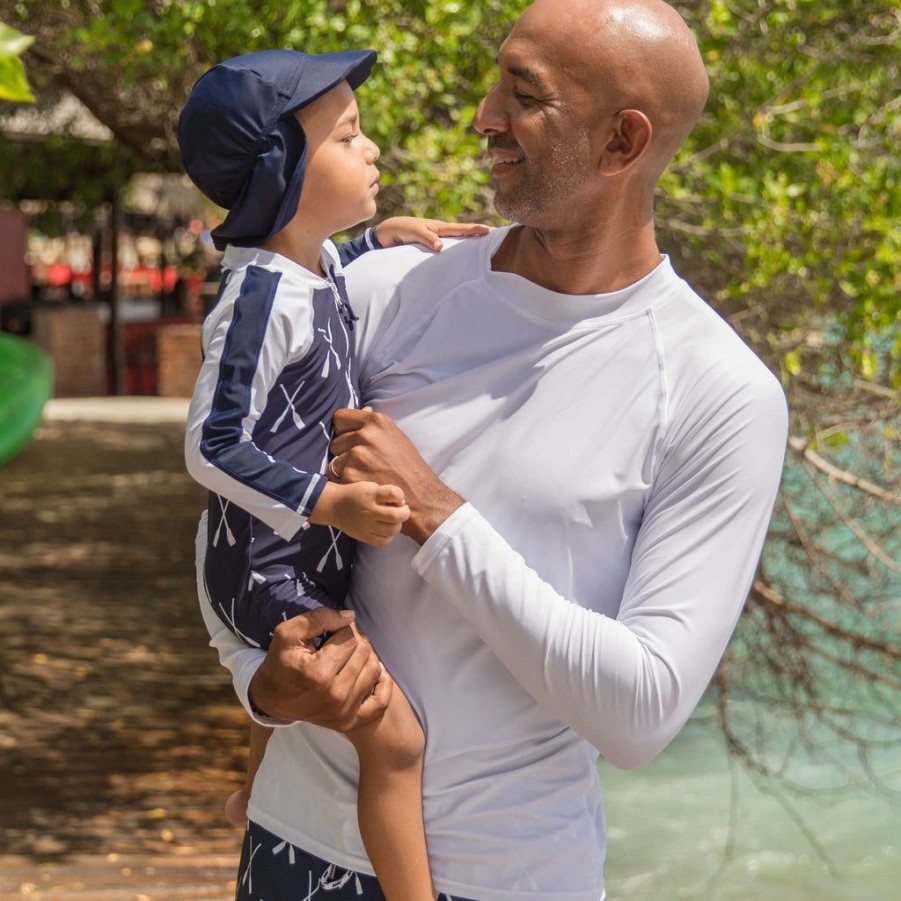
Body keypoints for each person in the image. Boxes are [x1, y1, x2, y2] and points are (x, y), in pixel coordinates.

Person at [196, 1, 789, 899]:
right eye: (493, 79)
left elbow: (638, 713)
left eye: (523, 95)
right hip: (288, 841)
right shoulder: (382, 285)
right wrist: (262, 688)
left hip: (506, 878)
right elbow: (249, 516)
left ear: (622, 144)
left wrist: (437, 514)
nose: (483, 116)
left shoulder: (720, 393)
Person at [180, 48, 486, 901]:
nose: (374, 148)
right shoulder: (251, 301)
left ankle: (255, 796)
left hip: (290, 548)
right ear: (283, 171)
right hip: (264, 560)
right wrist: (331, 500)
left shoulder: (303, 271)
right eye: (349, 137)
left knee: (308, 698)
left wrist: (369, 241)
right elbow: (211, 444)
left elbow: (313, 290)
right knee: (394, 741)